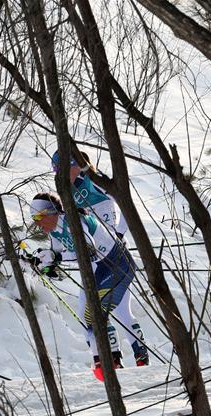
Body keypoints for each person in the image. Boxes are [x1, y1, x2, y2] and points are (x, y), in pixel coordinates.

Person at [50, 150, 149, 366]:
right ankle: (131, 355)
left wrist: (120, 233)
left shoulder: (95, 181)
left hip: (111, 253)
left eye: (59, 169)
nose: (57, 174)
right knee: (119, 311)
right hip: (98, 256)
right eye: (54, 170)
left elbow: (126, 205)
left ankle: (116, 357)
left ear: (74, 165)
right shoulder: (68, 190)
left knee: (94, 308)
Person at [28, 192, 137, 380]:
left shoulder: (74, 221)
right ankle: (107, 362)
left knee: (94, 313)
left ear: (51, 212)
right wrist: (40, 262)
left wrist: (57, 257)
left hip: (119, 264)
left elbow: (89, 252)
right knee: (90, 316)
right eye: (33, 219)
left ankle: (112, 363)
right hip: (104, 268)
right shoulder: (55, 231)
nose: (37, 224)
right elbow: (56, 257)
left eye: (38, 217)